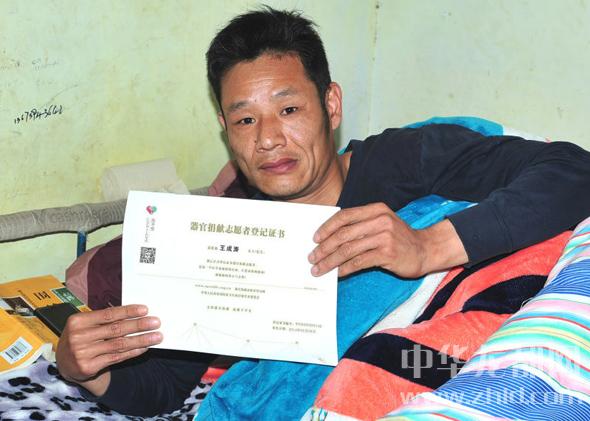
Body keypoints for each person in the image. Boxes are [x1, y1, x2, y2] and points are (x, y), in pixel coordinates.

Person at [56, 7, 590, 417]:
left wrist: (429, 246)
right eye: (245, 120)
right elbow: (164, 388)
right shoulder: (224, 233)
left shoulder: (401, 164)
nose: (269, 139)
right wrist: (85, 370)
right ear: (226, 129)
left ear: (330, 105)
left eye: (288, 109)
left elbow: (572, 171)